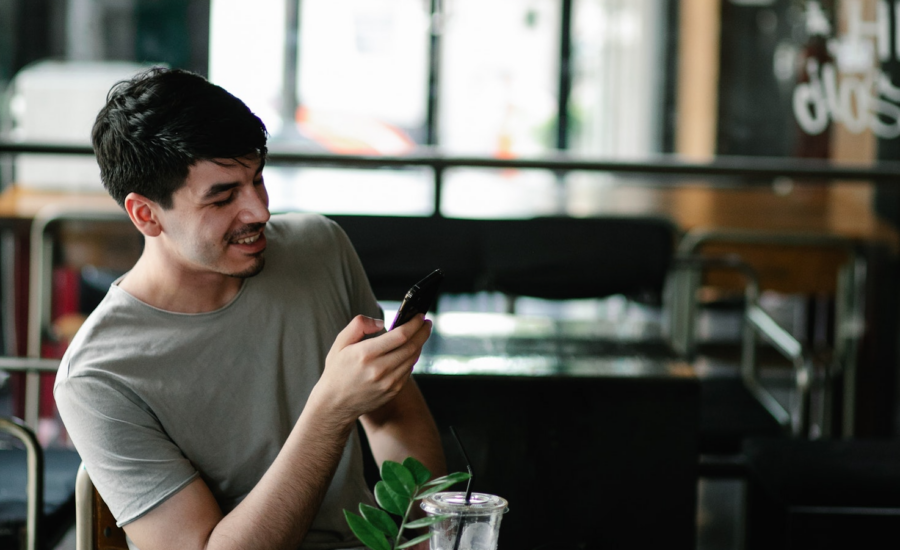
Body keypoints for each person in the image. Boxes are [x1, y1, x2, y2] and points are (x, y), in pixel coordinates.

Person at [54, 67, 445, 550]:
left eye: (257, 179)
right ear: (145, 214)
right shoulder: (98, 375)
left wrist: (424, 540)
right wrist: (330, 410)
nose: (259, 211)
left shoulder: (319, 246)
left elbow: (394, 418)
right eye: (223, 197)